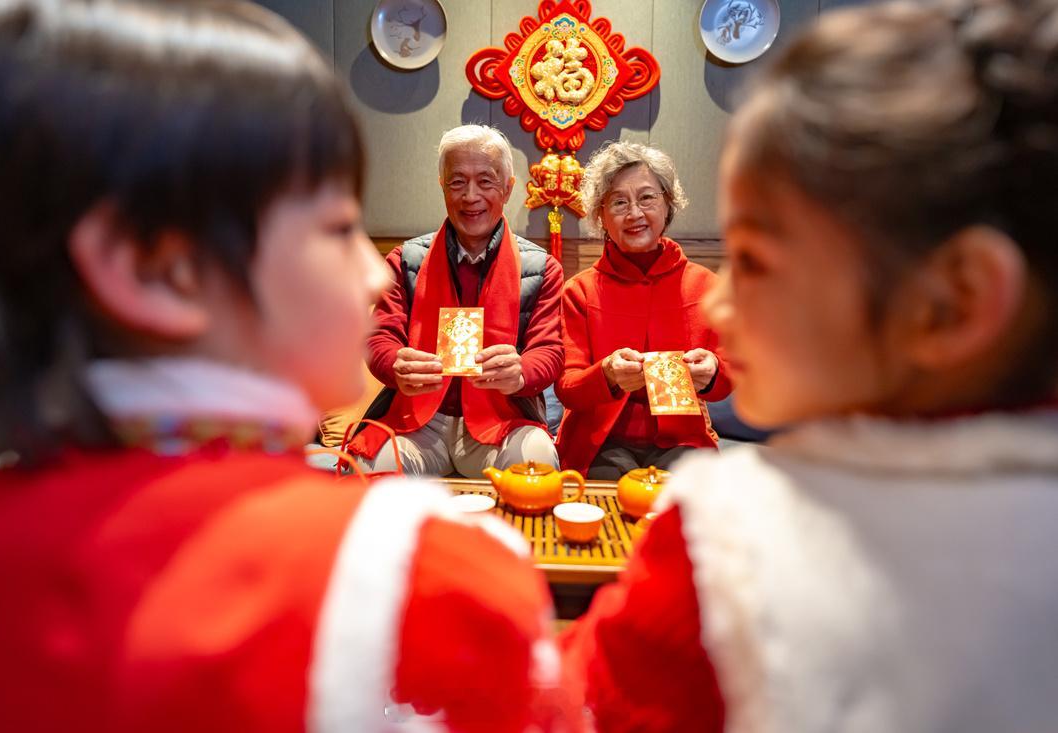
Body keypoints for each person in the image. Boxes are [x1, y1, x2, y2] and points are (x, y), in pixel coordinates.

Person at [0, 2, 578, 730]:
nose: (373, 276)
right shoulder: (423, 575)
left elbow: (552, 358)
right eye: (339, 227)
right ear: (161, 270)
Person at [561, 1, 1058, 730]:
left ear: (956, 301)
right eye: (619, 202)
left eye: (756, 261)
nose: (724, 305)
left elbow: (577, 701)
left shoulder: (724, 544)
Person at [348, 125, 564, 477]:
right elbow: (380, 338)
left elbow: (550, 352)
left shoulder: (541, 268)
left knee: (536, 462)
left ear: (508, 188)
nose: (470, 196)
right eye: (457, 182)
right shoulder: (406, 259)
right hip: (419, 421)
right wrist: (395, 365)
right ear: (442, 186)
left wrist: (520, 372)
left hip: (502, 420)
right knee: (374, 469)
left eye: (486, 181)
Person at [554, 142, 732, 478]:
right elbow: (567, 388)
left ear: (668, 203)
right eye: (619, 202)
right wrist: (606, 373)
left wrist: (713, 372)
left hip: (683, 441)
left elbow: (731, 376)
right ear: (600, 216)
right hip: (600, 442)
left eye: (647, 198)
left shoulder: (706, 287)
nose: (635, 213)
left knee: (688, 500)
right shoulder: (580, 291)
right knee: (611, 500)